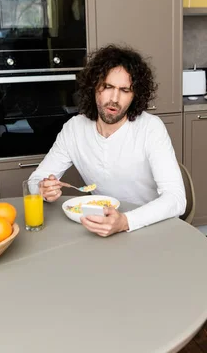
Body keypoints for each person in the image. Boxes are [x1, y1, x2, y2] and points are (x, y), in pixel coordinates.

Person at [29, 45, 186, 236]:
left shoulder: (150, 128)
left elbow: (177, 199)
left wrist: (125, 221)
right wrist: (43, 189)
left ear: (135, 96)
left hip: (153, 227)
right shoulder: (75, 129)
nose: (114, 98)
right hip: (103, 229)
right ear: (94, 87)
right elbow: (36, 179)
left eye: (125, 90)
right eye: (108, 87)